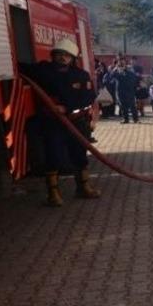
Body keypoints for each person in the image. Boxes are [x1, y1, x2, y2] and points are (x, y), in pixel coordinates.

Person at [32, 37, 100, 206]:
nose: (63, 58)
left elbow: (88, 97)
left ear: (72, 58)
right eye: (59, 54)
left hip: (76, 122)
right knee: (52, 155)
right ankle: (53, 194)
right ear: (53, 55)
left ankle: (83, 188)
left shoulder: (81, 75)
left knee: (79, 155)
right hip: (52, 123)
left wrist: (66, 107)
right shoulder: (43, 71)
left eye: (67, 55)